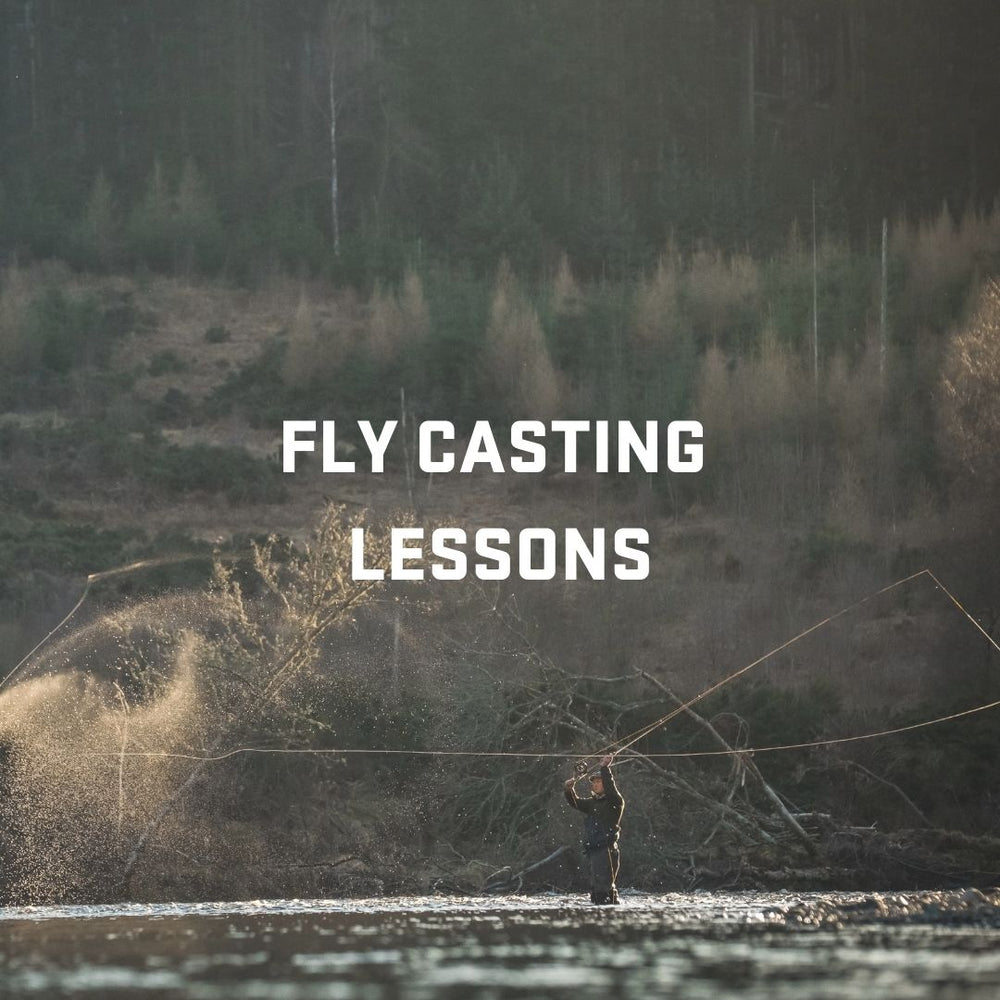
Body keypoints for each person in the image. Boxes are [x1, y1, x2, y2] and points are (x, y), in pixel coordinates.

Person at [563, 753, 624, 905]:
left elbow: (611, 790)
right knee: (597, 889)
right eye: (594, 782)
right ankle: (603, 915)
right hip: (594, 850)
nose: (595, 784)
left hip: (607, 850)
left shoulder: (615, 802)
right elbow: (575, 803)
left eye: (599, 782)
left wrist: (605, 769)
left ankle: (607, 918)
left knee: (603, 888)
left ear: (606, 783)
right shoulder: (592, 804)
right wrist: (569, 790)